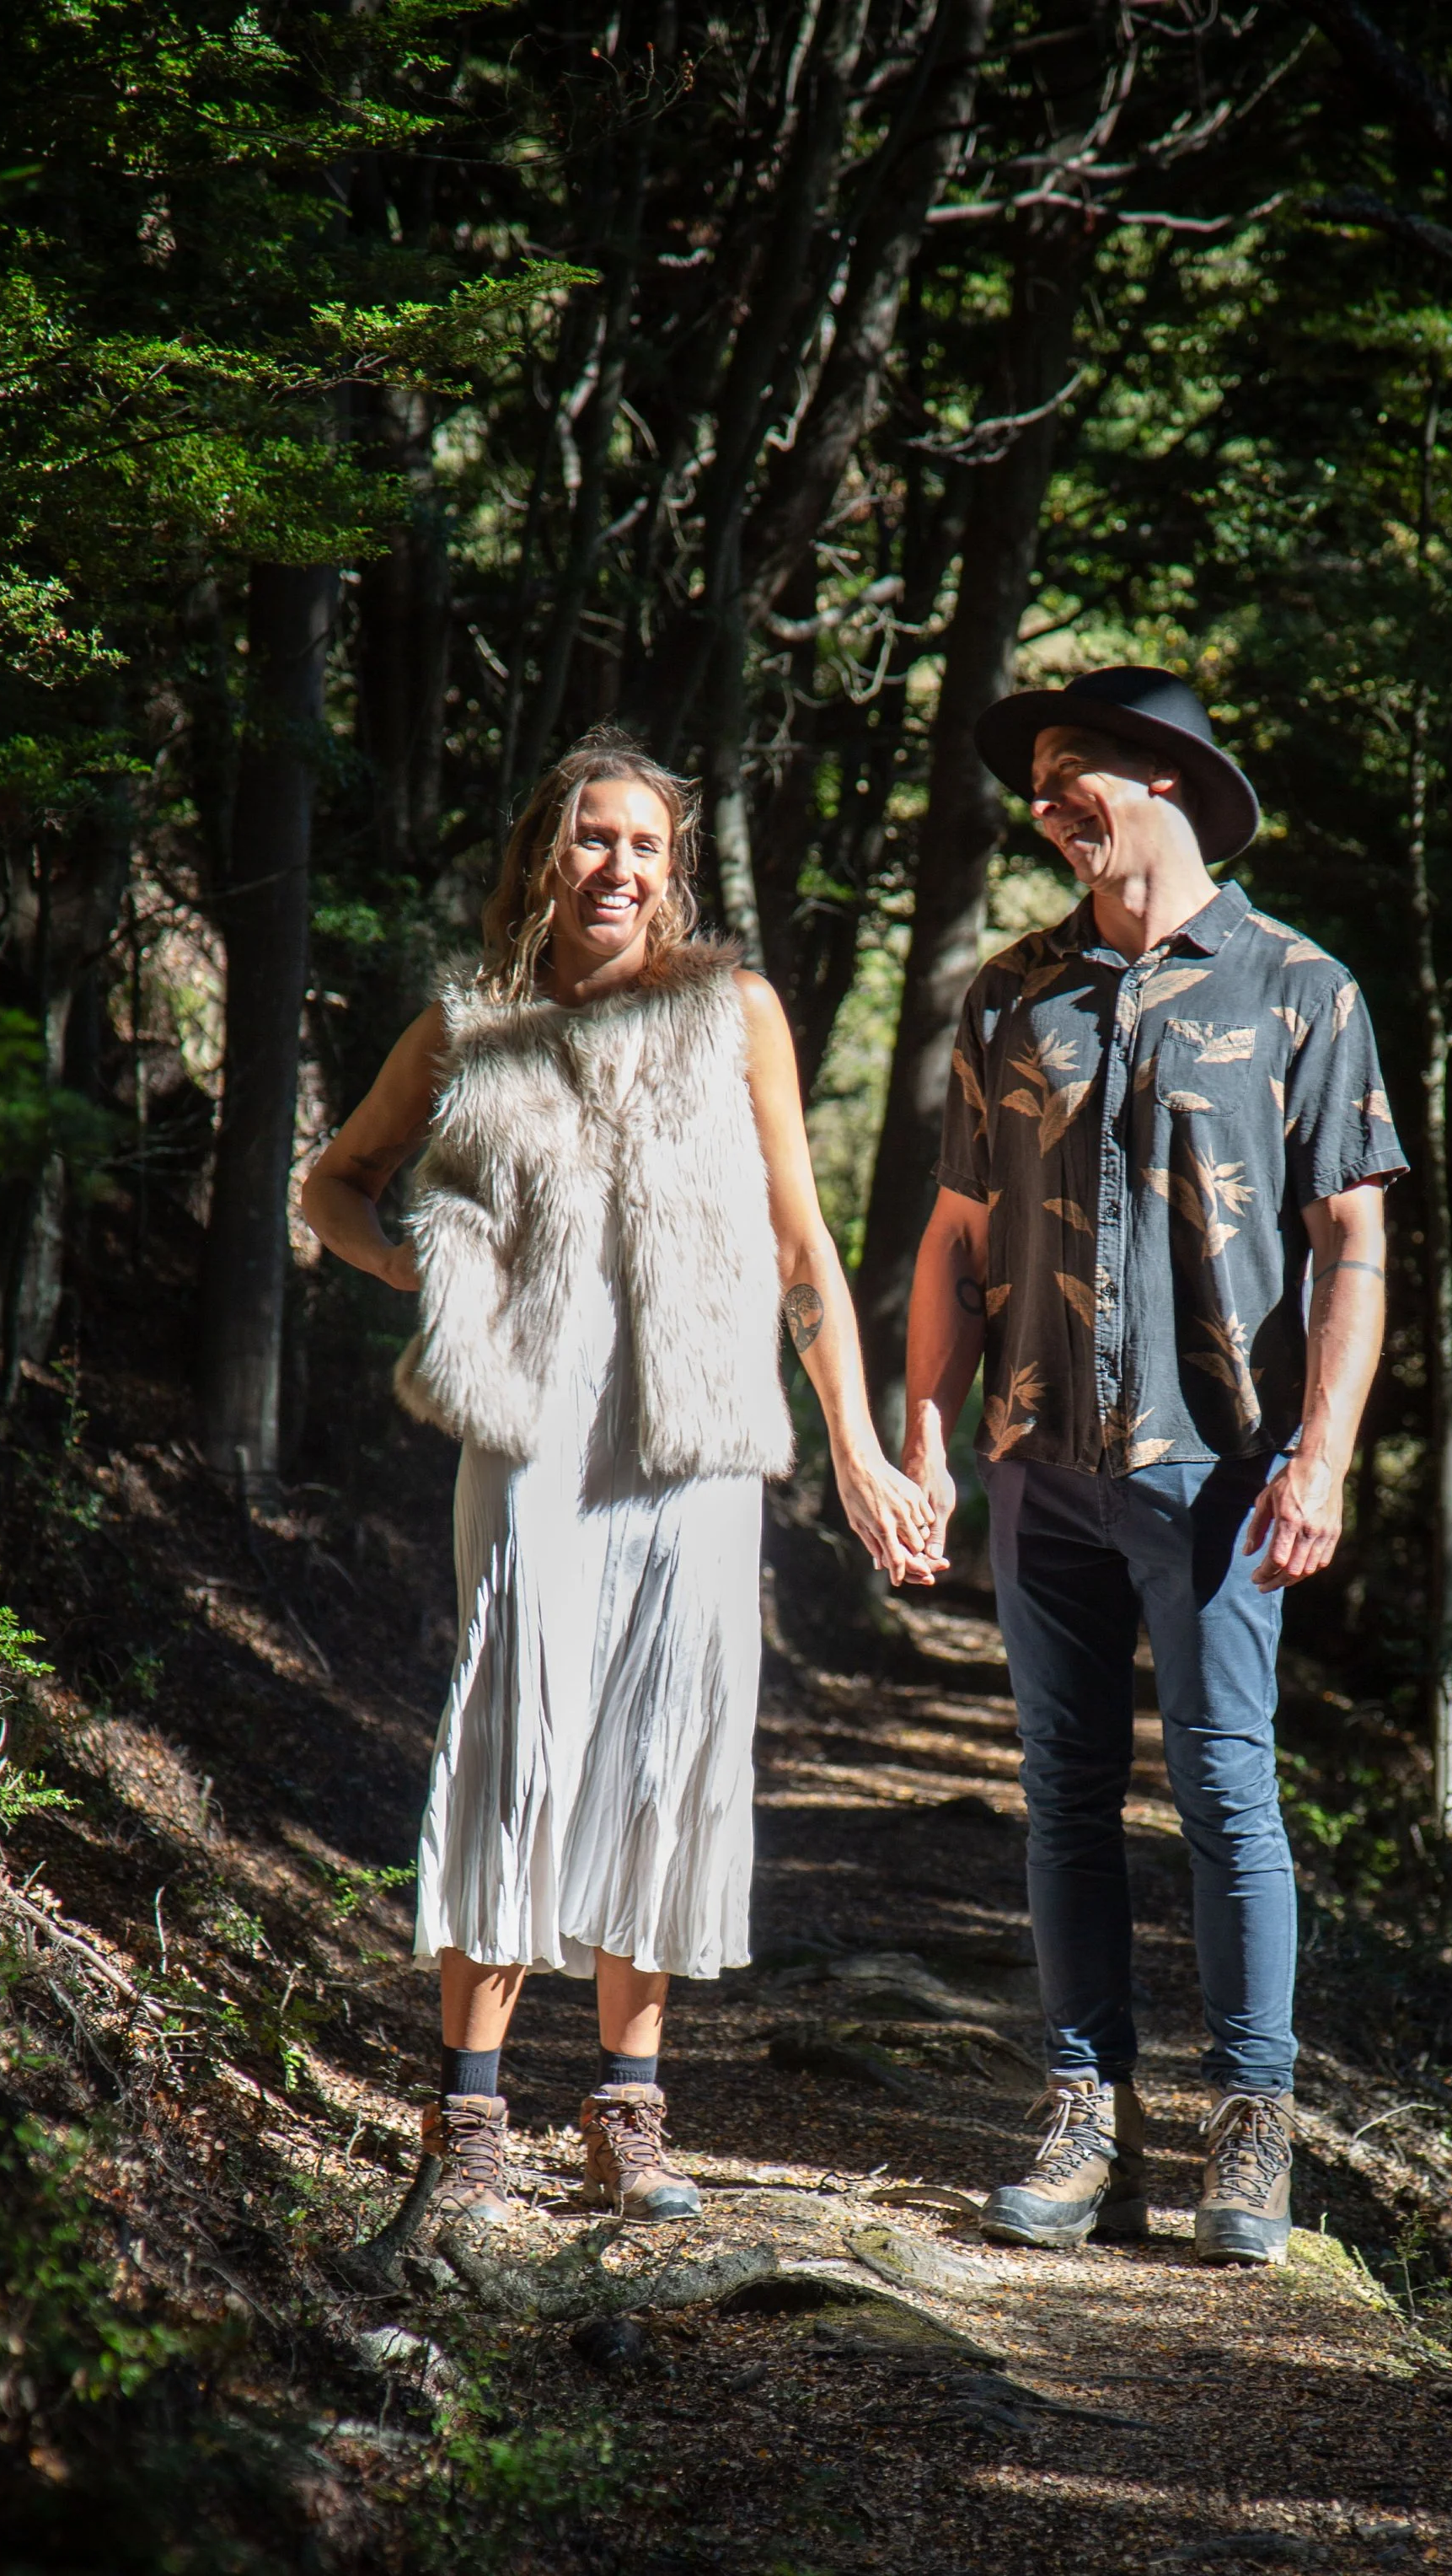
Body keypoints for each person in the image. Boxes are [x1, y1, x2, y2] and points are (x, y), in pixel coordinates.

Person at [302, 730, 939, 2233]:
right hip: (528, 1433)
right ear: (545, 855)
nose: (621, 868)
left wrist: (852, 1438)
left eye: (648, 845)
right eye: (595, 838)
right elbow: (333, 1183)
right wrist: (424, 1267)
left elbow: (803, 1252)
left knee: (664, 1746)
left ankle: (627, 2117)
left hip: (696, 1439)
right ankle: (467, 2116)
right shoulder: (465, 1030)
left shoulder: (737, 1015)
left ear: (676, 869)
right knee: (517, 1719)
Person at [902, 666, 1405, 2267]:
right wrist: (922, 1425)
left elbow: (1354, 1249)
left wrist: (1321, 1455)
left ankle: (1249, 2131)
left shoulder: (1300, 988)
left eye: (1075, 776)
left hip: (1222, 1472)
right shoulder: (1009, 993)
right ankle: (1085, 2114)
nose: (1048, 806)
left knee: (1224, 1787)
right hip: (1038, 1464)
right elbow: (958, 1236)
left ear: (1169, 780)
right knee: (1062, 1795)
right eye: (1036, 783)